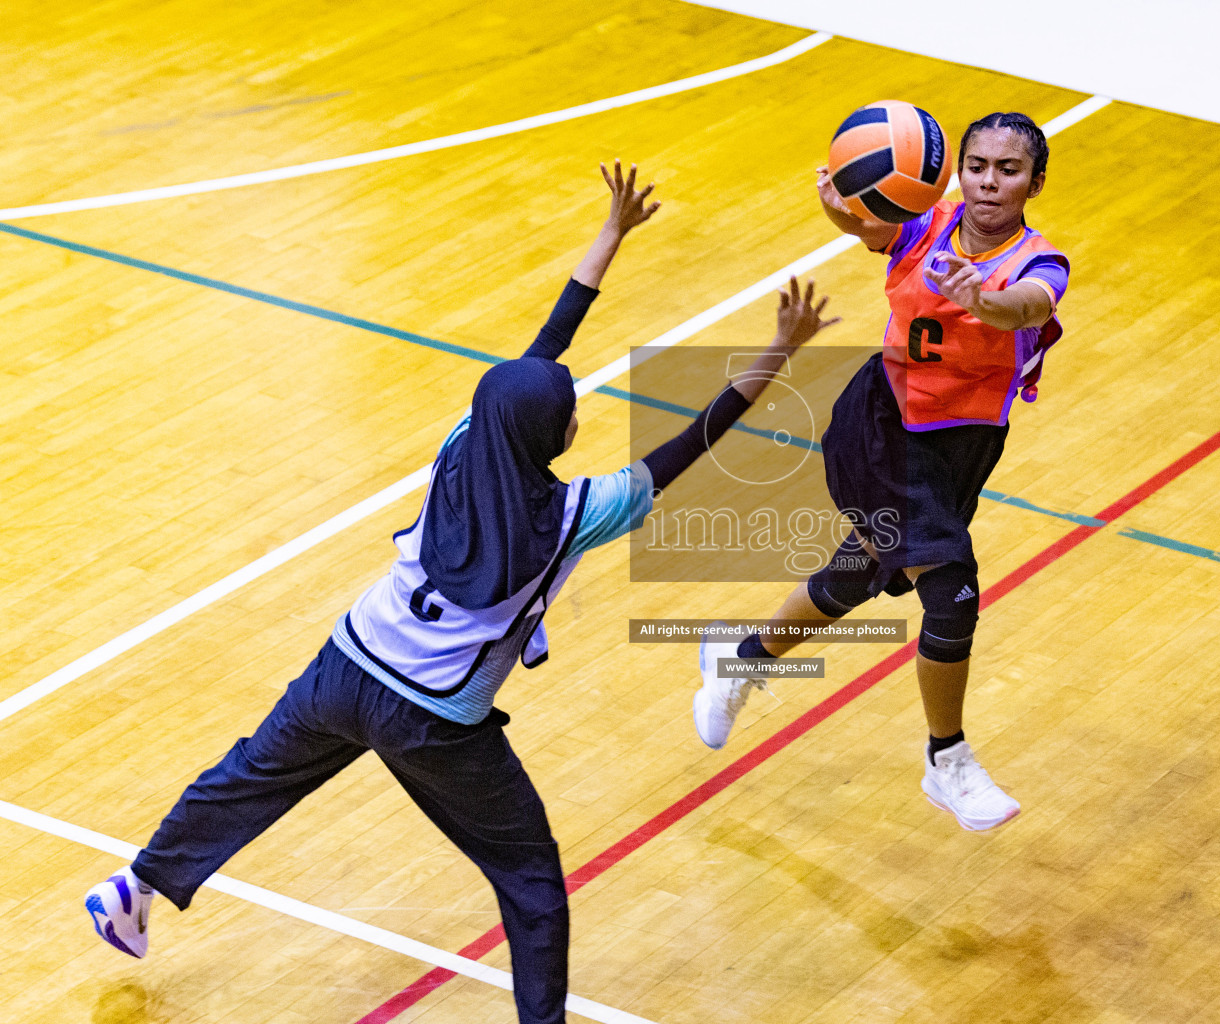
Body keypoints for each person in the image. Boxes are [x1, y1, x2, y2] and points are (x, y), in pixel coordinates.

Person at [84, 162, 840, 1024]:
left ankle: (138, 886)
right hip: (435, 718)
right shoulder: (573, 512)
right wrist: (778, 352)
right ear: (556, 435)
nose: (574, 405)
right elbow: (692, 440)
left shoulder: (460, 442)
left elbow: (536, 352)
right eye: (571, 407)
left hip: (347, 662)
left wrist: (608, 236)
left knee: (253, 772)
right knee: (530, 880)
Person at [693, 112, 1071, 832]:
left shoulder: (1038, 261)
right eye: (978, 165)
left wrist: (981, 299)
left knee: (858, 576)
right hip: (882, 428)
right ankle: (946, 759)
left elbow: (1028, 303)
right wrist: (836, 207)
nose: (991, 181)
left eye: (1009, 170)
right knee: (952, 592)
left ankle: (738, 661)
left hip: (961, 448)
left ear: (1035, 183)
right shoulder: (923, 224)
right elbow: (869, 230)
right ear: (958, 170)